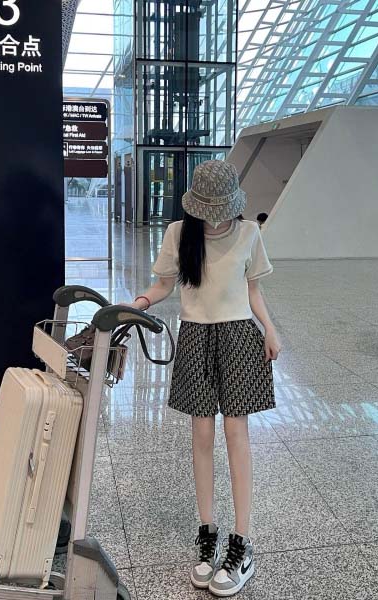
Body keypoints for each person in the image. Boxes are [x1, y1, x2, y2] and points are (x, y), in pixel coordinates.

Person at [127, 160, 281, 597]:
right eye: (209, 210)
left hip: (239, 337)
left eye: (222, 210)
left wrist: (270, 329)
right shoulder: (180, 233)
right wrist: (139, 302)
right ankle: (207, 534)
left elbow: (253, 290)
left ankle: (241, 543)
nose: (216, 219)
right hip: (195, 336)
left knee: (236, 435)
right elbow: (163, 285)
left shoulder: (249, 232)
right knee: (201, 436)